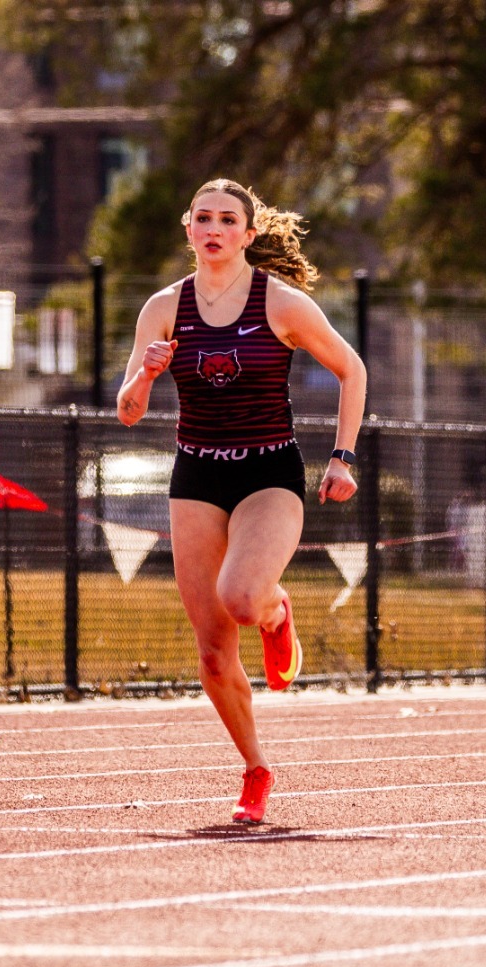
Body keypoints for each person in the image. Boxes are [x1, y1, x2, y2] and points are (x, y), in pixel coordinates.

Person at [116, 178, 367, 824]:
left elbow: (351, 368)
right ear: (188, 227)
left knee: (241, 597)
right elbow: (127, 412)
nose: (215, 227)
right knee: (211, 648)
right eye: (204, 216)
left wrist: (343, 455)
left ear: (248, 234)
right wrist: (144, 372)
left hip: (267, 473)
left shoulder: (280, 303)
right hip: (196, 473)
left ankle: (277, 612)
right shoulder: (163, 308)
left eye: (228, 218)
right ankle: (255, 767)